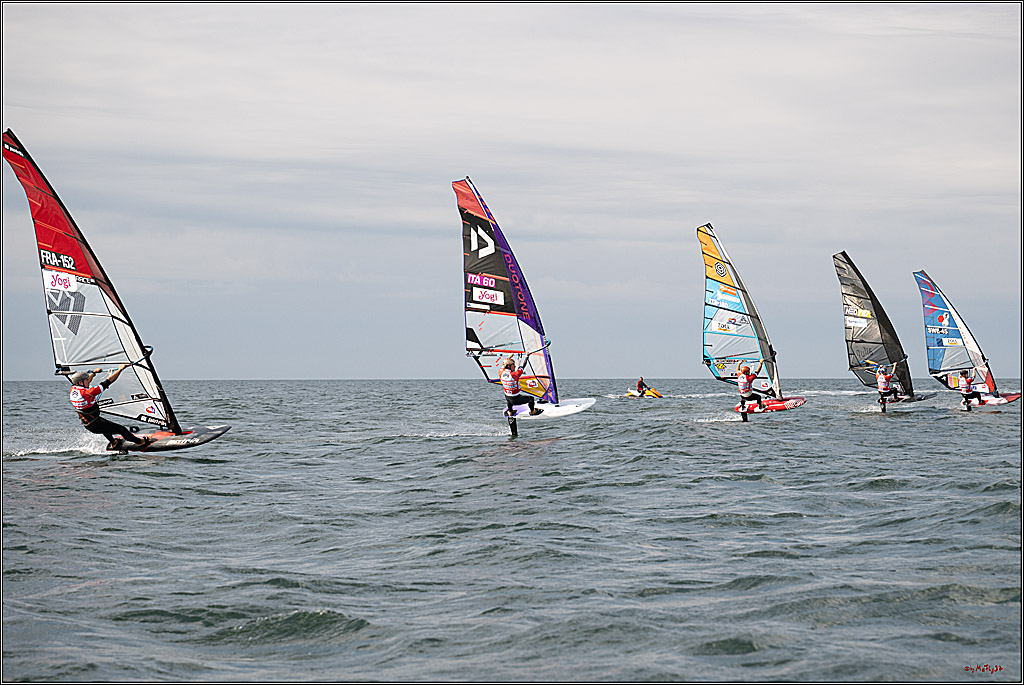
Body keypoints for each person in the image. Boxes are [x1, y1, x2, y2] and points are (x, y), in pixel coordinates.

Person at [69, 366, 151, 449]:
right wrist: (120, 369)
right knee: (121, 429)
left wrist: (94, 373)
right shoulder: (88, 393)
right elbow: (109, 381)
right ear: (80, 383)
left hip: (88, 424)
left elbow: (86, 380)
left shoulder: (73, 389)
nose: (88, 382)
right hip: (95, 423)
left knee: (105, 428)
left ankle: (113, 442)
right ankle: (140, 442)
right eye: (87, 381)